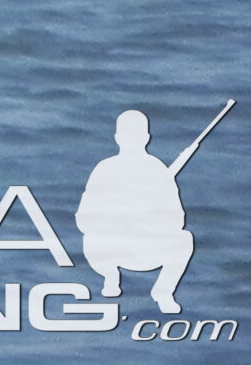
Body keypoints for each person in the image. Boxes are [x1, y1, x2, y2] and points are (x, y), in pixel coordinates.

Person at [75, 109, 197, 315]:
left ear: (117, 138)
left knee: (184, 238)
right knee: (184, 239)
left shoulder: (156, 171)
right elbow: (84, 219)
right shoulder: (108, 169)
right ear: (146, 138)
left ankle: (162, 292)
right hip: (113, 249)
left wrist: (147, 219)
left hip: (139, 250)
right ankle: (111, 276)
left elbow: (176, 220)